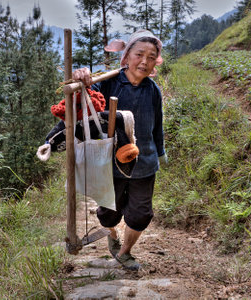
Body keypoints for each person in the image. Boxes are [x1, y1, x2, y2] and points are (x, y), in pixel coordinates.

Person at [73, 29, 167, 271]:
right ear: (126, 57)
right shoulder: (108, 83)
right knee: (108, 213)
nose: (144, 61)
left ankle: (125, 253)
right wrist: (82, 77)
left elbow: (158, 124)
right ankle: (112, 234)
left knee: (141, 214)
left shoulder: (152, 89)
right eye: (139, 55)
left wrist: (160, 152)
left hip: (144, 161)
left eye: (151, 56)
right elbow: (83, 104)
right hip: (110, 163)